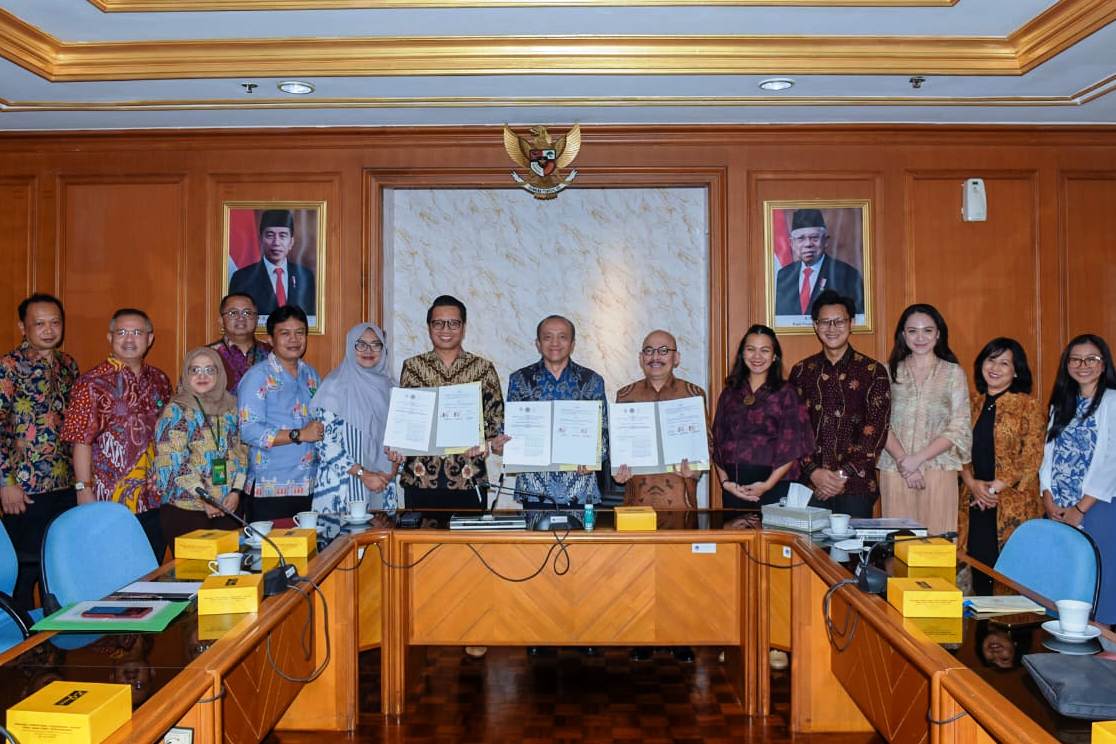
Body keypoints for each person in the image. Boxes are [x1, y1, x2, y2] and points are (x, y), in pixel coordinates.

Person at [61, 308, 172, 560]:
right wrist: (83, 489)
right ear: (110, 337)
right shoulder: (91, 383)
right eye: (121, 332)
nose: (129, 339)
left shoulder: (159, 380)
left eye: (137, 332)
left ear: (150, 338)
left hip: (155, 497)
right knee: (115, 568)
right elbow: (80, 441)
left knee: (151, 567)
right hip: (109, 500)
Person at [0, 294, 80, 611]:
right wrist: (5, 482)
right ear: (23, 327)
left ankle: (55, 636)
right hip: (25, 488)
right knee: (23, 571)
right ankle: (17, 638)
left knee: (58, 569)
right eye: (40, 324)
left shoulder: (67, 365)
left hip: (65, 486)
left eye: (55, 322)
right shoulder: (8, 367)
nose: (49, 330)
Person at [390, 295, 507, 510]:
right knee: (421, 534)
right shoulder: (413, 367)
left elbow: (496, 420)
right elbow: (406, 419)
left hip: (468, 476)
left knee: (468, 534)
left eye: (454, 323)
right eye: (438, 323)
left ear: (463, 327)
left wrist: (484, 442)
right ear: (429, 327)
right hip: (420, 477)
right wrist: (397, 444)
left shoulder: (482, 368)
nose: (446, 329)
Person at [789, 290, 890, 518]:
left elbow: (876, 431)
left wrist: (841, 475)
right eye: (825, 322)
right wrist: (814, 472)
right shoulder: (802, 371)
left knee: (853, 543)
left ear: (851, 323)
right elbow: (793, 430)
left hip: (856, 486)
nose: (832, 328)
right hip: (809, 485)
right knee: (807, 542)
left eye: (839, 321)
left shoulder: (873, 372)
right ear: (815, 325)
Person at [1039, 334, 1116, 626]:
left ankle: (1104, 648)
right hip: (1059, 508)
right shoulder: (1062, 403)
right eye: (1075, 359)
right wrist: (1048, 497)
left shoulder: (1112, 401)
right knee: (1064, 581)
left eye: (1091, 359)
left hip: (1098, 506)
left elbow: (1112, 461)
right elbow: (1048, 454)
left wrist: (1081, 509)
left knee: (1101, 583)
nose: (1083, 365)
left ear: (1103, 364)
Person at [957, 338, 1045, 595]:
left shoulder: (1028, 405)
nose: (995, 367)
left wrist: (993, 489)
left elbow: (1032, 456)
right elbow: (958, 449)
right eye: (991, 360)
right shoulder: (971, 404)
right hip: (974, 501)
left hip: (1011, 502)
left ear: (1016, 371)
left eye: (1004, 363)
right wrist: (972, 483)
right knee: (978, 569)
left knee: (1011, 577)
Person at [878, 304, 971, 534]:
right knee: (899, 544)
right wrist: (905, 463)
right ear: (903, 334)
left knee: (937, 543)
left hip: (939, 468)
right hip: (896, 470)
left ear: (938, 334)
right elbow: (879, 421)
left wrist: (918, 459)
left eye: (927, 330)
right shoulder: (886, 372)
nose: (920, 337)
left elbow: (959, 425)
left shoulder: (953, 373)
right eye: (913, 331)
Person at [153, 347, 249, 551]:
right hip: (186, 509)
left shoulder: (232, 408)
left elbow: (242, 452)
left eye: (209, 370)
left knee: (228, 566)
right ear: (186, 375)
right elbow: (172, 462)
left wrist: (236, 492)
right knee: (194, 569)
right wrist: (204, 498)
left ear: (220, 373)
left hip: (228, 506)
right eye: (195, 370)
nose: (202, 376)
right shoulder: (176, 411)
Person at [508, 315, 607, 507]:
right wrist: (502, 444)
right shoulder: (520, 380)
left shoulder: (591, 381)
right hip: (534, 489)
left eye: (562, 337)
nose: (555, 343)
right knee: (537, 529)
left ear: (572, 344)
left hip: (580, 486)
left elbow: (604, 430)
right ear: (538, 343)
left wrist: (595, 458)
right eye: (548, 337)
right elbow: (510, 428)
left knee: (579, 529)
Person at [712, 324, 814, 509]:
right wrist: (725, 482)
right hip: (735, 489)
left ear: (774, 356)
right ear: (742, 354)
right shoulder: (730, 393)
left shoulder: (787, 393)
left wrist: (767, 485)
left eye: (764, 350)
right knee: (735, 529)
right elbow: (717, 440)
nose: (757, 356)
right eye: (750, 349)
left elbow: (794, 445)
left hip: (776, 486)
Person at [237, 305, 322, 521]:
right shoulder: (257, 376)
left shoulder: (311, 375)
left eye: (300, 332)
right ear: (270, 339)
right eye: (285, 333)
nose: (294, 339)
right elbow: (249, 431)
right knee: (272, 544)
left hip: (310, 485)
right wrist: (298, 434)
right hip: (271, 489)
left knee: (308, 543)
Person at [613, 330, 707, 510]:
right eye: (649, 351)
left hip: (680, 499)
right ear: (641, 358)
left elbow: (707, 443)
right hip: (637, 498)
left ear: (676, 358)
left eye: (663, 351)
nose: (655, 357)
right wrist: (618, 470)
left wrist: (696, 470)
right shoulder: (626, 395)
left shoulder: (692, 395)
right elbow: (619, 446)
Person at [311, 323, 399, 514]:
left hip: (383, 484)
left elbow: (400, 439)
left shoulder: (392, 388)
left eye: (376, 344)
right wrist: (363, 474)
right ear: (351, 347)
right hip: (343, 486)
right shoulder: (334, 386)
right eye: (361, 344)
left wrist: (392, 469)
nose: (369, 350)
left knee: (382, 532)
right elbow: (324, 443)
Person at [775, 209, 864, 317]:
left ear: (825, 241)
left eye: (814, 238)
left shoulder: (848, 275)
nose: (808, 244)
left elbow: (857, 317)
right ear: (792, 243)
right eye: (801, 238)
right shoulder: (783, 276)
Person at [228, 210, 316, 318]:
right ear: (260, 240)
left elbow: (310, 318)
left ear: (291, 242)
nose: (276, 243)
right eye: (270, 235)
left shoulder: (305, 276)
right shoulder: (242, 278)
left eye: (282, 236)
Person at [207, 292, 271, 392]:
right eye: (233, 313)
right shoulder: (206, 354)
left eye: (247, 313)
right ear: (221, 321)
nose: (241, 318)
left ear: (257, 319)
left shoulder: (272, 354)